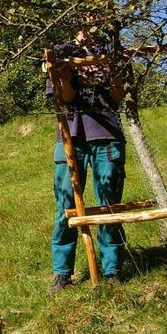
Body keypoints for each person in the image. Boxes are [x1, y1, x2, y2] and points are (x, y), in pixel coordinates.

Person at [47, 27, 127, 293]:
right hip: (72, 136)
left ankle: (112, 269)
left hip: (107, 135)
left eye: (98, 17)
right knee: (66, 205)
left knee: (108, 205)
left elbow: (117, 97)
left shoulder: (111, 51)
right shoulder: (59, 52)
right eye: (88, 17)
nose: (93, 24)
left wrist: (115, 76)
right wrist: (65, 79)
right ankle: (62, 273)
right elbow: (65, 98)